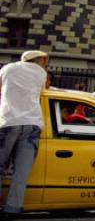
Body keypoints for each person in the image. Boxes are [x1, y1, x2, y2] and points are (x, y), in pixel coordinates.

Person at [0, 50, 48, 217]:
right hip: (32, 124)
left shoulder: (7, 69)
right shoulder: (41, 73)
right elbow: (43, 91)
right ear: (40, 60)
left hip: (8, 121)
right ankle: (13, 208)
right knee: (21, 172)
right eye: (44, 60)